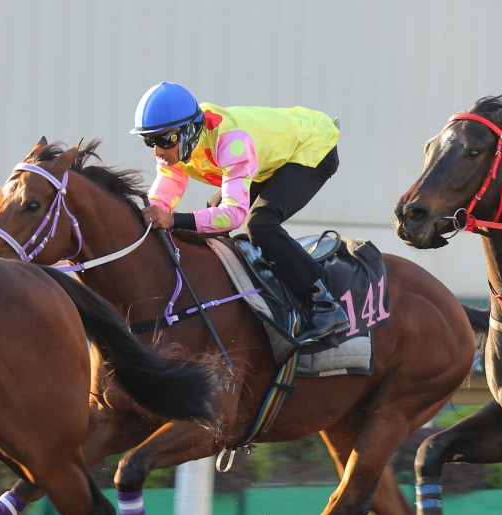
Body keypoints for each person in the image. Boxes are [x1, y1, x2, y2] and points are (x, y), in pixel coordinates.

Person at [131, 81, 349, 346]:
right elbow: (164, 196)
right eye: (150, 141)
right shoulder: (179, 146)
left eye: (165, 139)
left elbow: (233, 214)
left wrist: (175, 220)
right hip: (266, 160)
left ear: (189, 130)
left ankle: (325, 304)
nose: (159, 151)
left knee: (260, 223)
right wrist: (145, 218)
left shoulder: (231, 140)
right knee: (209, 220)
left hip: (312, 146)